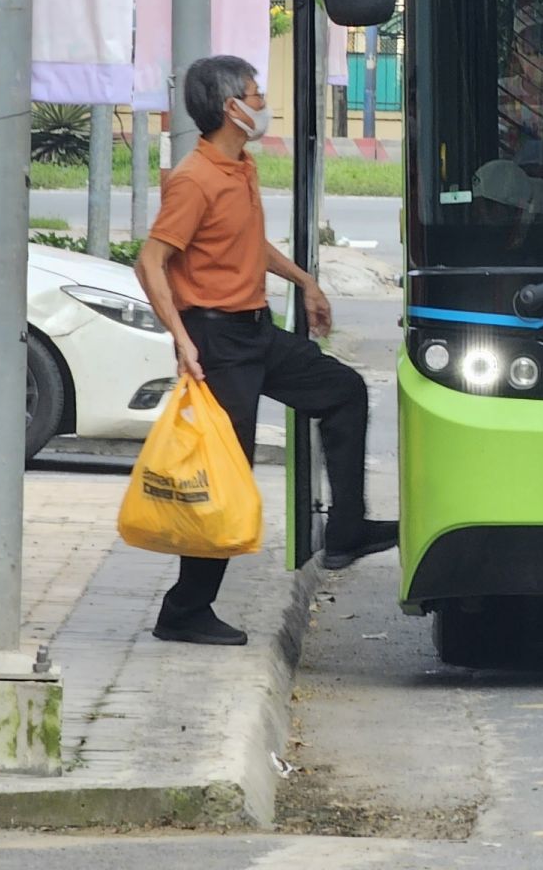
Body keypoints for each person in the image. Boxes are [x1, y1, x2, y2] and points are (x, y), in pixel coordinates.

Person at [136, 56, 396, 646]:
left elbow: (249, 245)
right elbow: (150, 262)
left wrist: (305, 282)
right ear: (233, 109)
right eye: (256, 93)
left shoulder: (241, 167)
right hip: (215, 340)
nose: (262, 101)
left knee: (343, 390)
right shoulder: (195, 178)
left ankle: (348, 530)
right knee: (226, 472)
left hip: (254, 331)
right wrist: (181, 340)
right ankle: (184, 611)